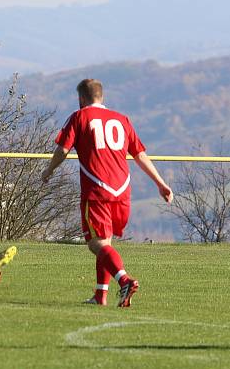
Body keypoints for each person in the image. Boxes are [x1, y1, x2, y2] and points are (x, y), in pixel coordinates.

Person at [41, 78, 173, 307]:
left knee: (96, 244)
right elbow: (139, 154)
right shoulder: (121, 120)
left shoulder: (79, 116)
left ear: (81, 98)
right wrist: (161, 183)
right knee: (106, 244)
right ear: (102, 97)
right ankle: (100, 296)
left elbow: (63, 149)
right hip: (122, 191)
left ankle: (124, 280)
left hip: (97, 190)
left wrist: (49, 170)